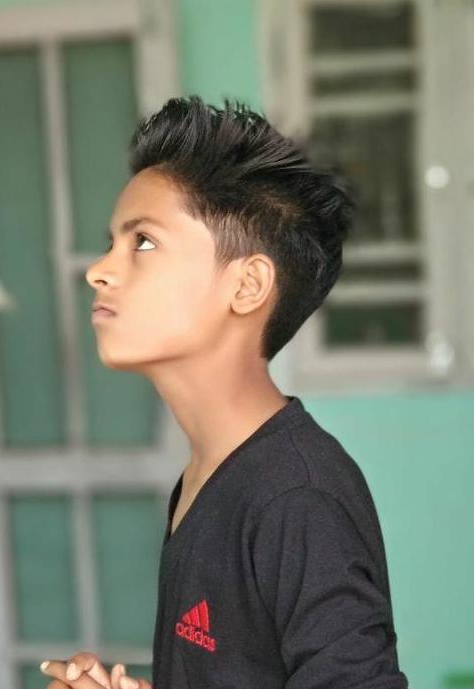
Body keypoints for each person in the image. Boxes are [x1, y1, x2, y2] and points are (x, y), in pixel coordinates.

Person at [39, 95, 408, 689]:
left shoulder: (297, 496)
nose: (98, 269)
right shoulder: (209, 474)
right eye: (112, 242)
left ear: (247, 286)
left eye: (143, 242)